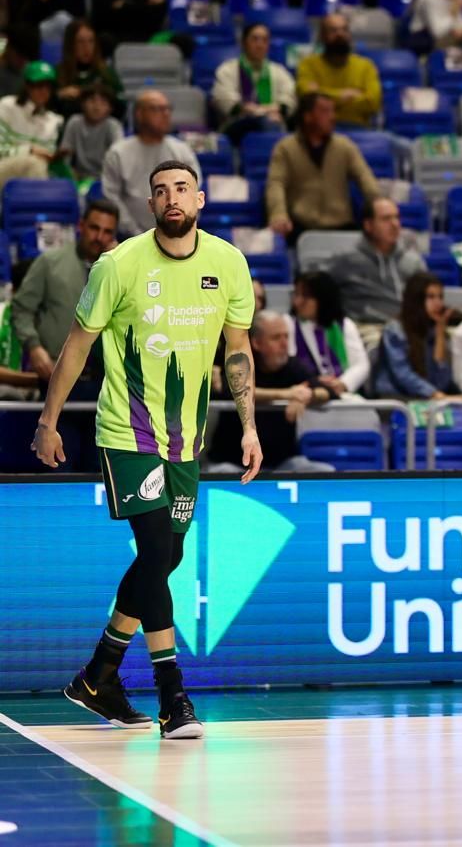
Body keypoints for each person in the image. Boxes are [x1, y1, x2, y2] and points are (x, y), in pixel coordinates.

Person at [35, 158, 259, 741]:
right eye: (160, 191)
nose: (171, 197)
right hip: (127, 434)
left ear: (201, 199)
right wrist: (49, 420)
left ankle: (99, 674)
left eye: (182, 188)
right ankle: (172, 696)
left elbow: (237, 351)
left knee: (166, 559)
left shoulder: (228, 263)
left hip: (188, 439)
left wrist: (250, 427)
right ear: (151, 205)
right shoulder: (119, 264)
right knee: (157, 551)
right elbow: (77, 346)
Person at [12, 198, 118, 466]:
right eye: (94, 228)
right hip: (59, 383)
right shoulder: (49, 263)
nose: (99, 237)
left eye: (107, 232)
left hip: (106, 387)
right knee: (59, 468)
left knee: (102, 474)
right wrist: (34, 347)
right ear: (81, 226)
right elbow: (21, 310)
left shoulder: (120, 270)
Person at [208, 310, 337, 476]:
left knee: (325, 472)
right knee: (219, 473)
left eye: (286, 337)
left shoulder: (293, 367)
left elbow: (328, 391)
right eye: (276, 338)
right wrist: (287, 394)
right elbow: (232, 389)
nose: (284, 344)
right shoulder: (240, 361)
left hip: (282, 462)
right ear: (256, 343)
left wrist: (307, 396)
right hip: (234, 461)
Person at [265, 93, 383, 237]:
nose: (332, 117)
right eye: (325, 111)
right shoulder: (285, 148)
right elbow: (276, 184)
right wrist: (278, 214)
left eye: (332, 111)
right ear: (308, 116)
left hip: (342, 226)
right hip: (302, 227)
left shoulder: (344, 146)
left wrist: (380, 206)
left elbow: (365, 178)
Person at [101, 90, 200, 236]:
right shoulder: (118, 152)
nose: (165, 114)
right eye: (157, 109)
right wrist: (137, 235)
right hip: (130, 238)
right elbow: (112, 198)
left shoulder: (182, 150)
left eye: (167, 109)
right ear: (139, 114)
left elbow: (193, 193)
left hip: (178, 234)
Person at [327, 198, 428, 328]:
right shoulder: (345, 260)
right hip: (364, 329)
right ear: (368, 225)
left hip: (406, 329)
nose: (395, 224)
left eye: (397, 217)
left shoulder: (414, 261)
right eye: (386, 219)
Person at [375, 272, 458, 400]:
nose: (438, 304)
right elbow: (402, 374)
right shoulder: (395, 330)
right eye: (431, 297)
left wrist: (440, 336)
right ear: (416, 299)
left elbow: (442, 383)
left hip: (430, 399)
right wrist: (434, 394)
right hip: (396, 398)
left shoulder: (437, 330)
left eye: (440, 297)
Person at [288, 270, 370, 397]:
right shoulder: (289, 324)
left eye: (306, 296)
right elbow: (289, 364)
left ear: (323, 298)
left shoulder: (344, 325)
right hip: (308, 395)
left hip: (345, 395)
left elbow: (361, 364)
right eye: (296, 295)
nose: (297, 302)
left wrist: (343, 383)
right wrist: (314, 382)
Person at [210, 23, 295, 141]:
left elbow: (289, 100)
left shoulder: (279, 71)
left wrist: (260, 110)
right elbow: (226, 101)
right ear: (244, 43)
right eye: (254, 39)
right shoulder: (227, 69)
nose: (260, 45)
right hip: (236, 126)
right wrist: (262, 111)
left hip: (274, 122)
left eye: (264, 40)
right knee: (267, 123)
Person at [295, 13, 382, 129]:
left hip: (358, 130)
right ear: (322, 36)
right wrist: (347, 95)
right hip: (318, 131)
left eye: (344, 29)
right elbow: (307, 96)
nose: (340, 34)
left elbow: (373, 103)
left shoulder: (366, 66)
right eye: (333, 30)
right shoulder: (308, 64)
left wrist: (322, 95)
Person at [0, 61, 62, 191]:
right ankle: (40, 208)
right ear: (27, 86)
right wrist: (28, 151)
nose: (44, 91)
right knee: (34, 163)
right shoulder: (6, 106)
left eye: (48, 87)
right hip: (3, 169)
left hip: (35, 175)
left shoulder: (53, 121)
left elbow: (47, 159)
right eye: (39, 85)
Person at [54, 18, 123, 119]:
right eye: (80, 42)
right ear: (70, 45)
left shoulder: (106, 73)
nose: (87, 47)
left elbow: (121, 104)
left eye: (91, 41)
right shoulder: (58, 72)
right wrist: (59, 95)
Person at [58, 84, 121, 181]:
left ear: (110, 108)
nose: (97, 107)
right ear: (82, 104)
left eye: (103, 103)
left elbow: (118, 157)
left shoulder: (113, 125)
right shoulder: (74, 122)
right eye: (92, 101)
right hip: (78, 177)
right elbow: (65, 154)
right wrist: (69, 174)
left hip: (105, 179)